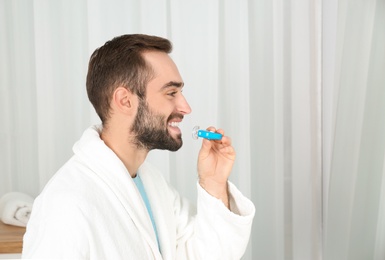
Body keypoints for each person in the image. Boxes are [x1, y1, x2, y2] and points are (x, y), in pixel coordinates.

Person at [22, 34, 255, 259]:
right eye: (171, 92)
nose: (185, 107)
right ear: (125, 100)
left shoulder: (151, 182)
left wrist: (213, 183)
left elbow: (203, 253)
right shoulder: (66, 203)